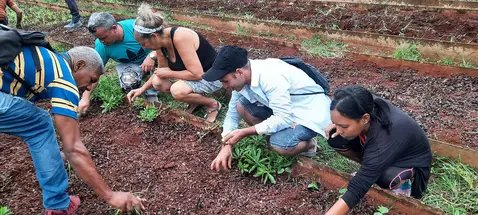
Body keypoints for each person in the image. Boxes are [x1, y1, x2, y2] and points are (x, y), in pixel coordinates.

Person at [0, 46, 145, 214]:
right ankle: (58, 205)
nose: (89, 87)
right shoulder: (63, 77)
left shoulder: (46, 58)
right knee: (39, 125)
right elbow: (73, 148)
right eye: (91, 79)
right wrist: (110, 195)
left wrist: (52, 152)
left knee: (36, 123)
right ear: (79, 65)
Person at [203, 45, 331, 171]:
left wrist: (245, 131)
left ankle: (309, 144)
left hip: (308, 113)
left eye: (225, 81)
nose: (224, 86)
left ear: (239, 72)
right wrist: (226, 145)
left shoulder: (270, 78)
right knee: (241, 106)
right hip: (285, 108)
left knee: (280, 145)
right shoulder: (245, 77)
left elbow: (283, 118)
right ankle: (278, 136)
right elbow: (232, 114)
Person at [324, 85, 432, 215]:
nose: (340, 129)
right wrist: (337, 124)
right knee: (335, 137)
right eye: (336, 123)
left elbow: (356, 190)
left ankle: (403, 184)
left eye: (344, 126)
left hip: (407, 162)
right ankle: (370, 168)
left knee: (385, 177)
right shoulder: (362, 103)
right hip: (384, 151)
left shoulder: (385, 136)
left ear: (365, 119)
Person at [125, 3, 223, 122]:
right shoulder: (160, 44)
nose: (144, 47)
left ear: (154, 36)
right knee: (158, 82)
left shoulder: (180, 37)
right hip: (193, 76)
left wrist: (169, 73)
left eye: (143, 43)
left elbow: (197, 74)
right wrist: (142, 89)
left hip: (212, 75)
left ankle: (213, 104)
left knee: (177, 90)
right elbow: (160, 72)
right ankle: (195, 101)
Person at [81, 12, 158, 114]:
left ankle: (153, 93)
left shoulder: (135, 28)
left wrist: (152, 55)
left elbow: (164, 38)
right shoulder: (101, 46)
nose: (102, 41)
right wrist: (85, 97)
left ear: (114, 28)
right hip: (134, 66)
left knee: (160, 78)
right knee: (128, 79)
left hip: (157, 58)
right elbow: (95, 72)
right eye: (98, 38)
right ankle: (141, 94)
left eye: (104, 37)